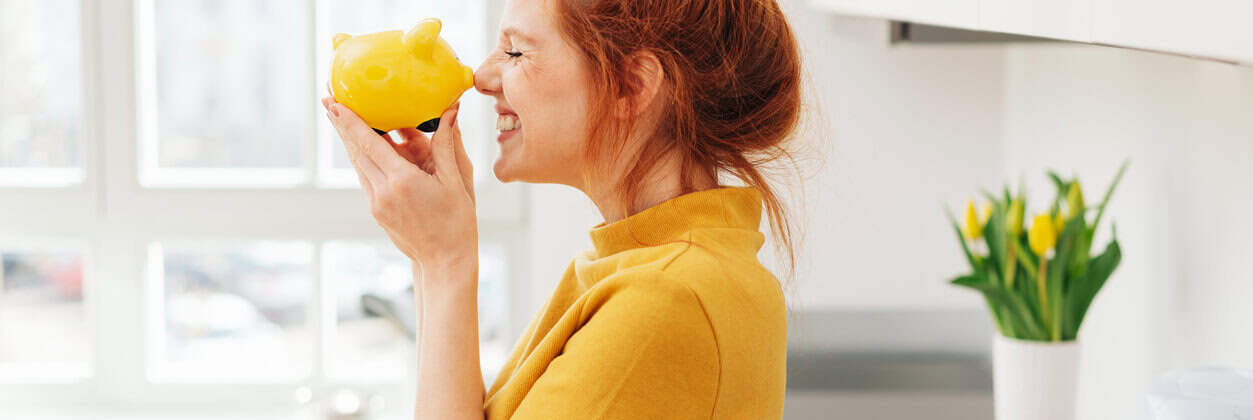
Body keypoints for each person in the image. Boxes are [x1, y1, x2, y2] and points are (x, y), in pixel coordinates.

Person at [322, 0, 804, 417]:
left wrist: (445, 261)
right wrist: (429, 256)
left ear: (631, 86)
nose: (481, 78)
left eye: (516, 52)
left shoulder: (665, 299)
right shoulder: (643, 266)